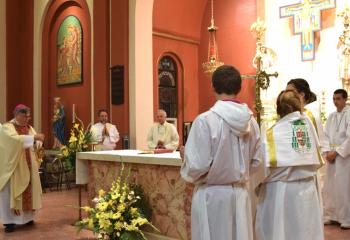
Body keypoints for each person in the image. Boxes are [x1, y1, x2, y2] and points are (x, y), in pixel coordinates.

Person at [180, 65, 261, 240]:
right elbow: (256, 161)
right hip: (240, 194)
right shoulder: (251, 122)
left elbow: (197, 166)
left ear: (213, 86)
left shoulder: (205, 121)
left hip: (212, 196)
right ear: (238, 88)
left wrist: (186, 158)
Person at [255, 90, 323, 240]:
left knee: (283, 232)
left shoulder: (273, 132)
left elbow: (262, 169)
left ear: (279, 109)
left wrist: (257, 185)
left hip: (281, 190)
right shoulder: (308, 125)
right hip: (307, 188)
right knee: (306, 231)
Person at [0, 104, 45, 233]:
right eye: (25, 116)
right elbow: (13, 141)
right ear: (18, 115)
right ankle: (10, 222)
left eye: (29, 116)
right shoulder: (7, 127)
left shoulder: (29, 128)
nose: (28, 119)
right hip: (14, 168)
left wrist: (38, 141)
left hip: (29, 166)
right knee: (10, 193)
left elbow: (36, 143)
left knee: (30, 190)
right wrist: (33, 138)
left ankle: (27, 218)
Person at [323, 89, 350, 229]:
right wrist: (327, 151)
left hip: (344, 158)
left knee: (343, 187)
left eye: (338, 98)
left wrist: (337, 152)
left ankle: (346, 218)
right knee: (330, 186)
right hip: (331, 156)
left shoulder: (349, 114)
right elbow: (325, 135)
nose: (335, 101)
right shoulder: (331, 116)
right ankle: (332, 215)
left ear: (345, 99)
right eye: (334, 98)